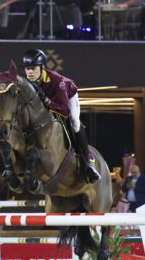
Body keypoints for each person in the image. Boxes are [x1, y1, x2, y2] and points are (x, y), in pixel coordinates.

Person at [21, 49, 100, 184]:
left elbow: (64, 110)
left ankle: (88, 164)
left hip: (67, 98)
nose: (30, 72)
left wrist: (47, 102)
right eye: (27, 69)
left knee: (74, 121)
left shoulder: (58, 81)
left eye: (33, 69)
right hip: (48, 104)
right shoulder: (26, 81)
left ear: (42, 67)